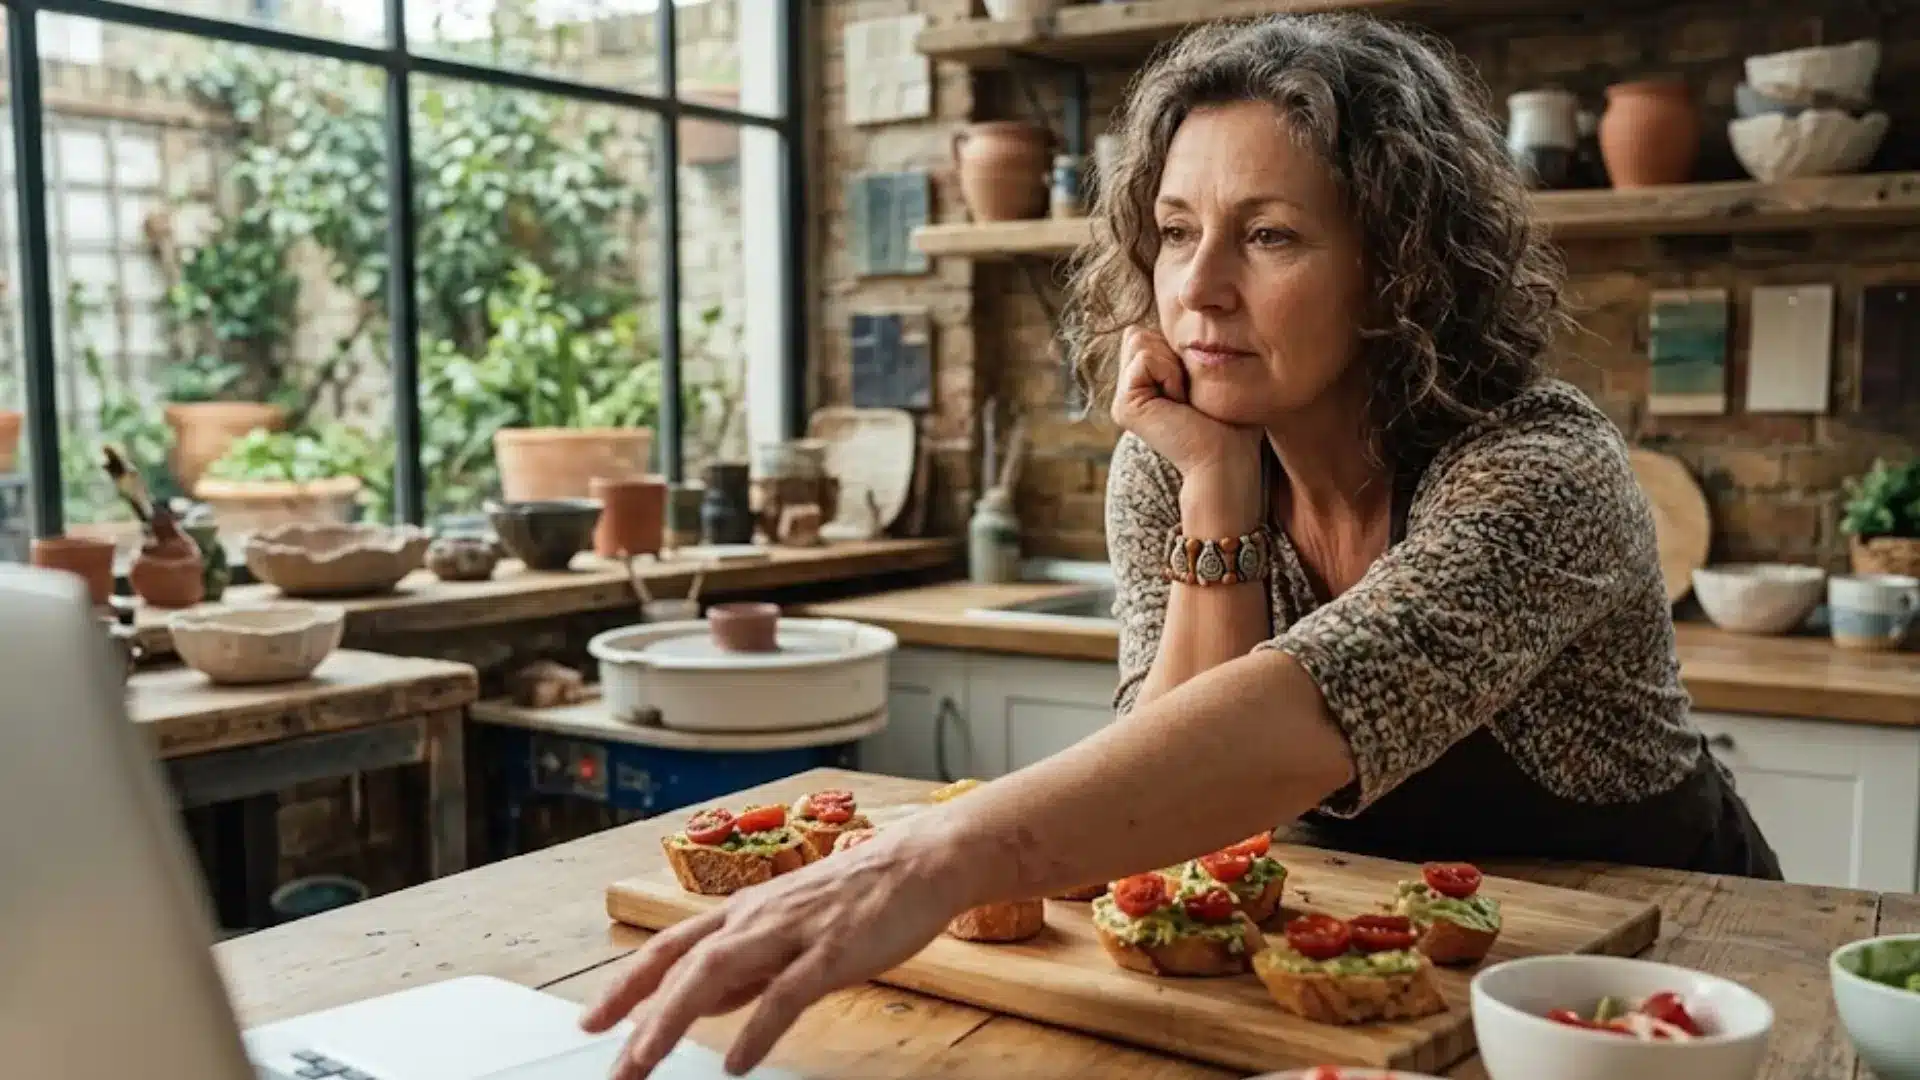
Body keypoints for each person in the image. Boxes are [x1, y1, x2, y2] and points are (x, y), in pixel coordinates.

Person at [582, 13, 1780, 1079]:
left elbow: (1314, 703)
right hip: (1380, 975)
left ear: (1397, 268)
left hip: (1675, 982)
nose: (1195, 290)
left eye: (1268, 236)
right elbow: (1185, 802)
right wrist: (1214, 486)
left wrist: (941, 850)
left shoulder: (1538, 470)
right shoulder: (1173, 460)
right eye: (1173, 229)